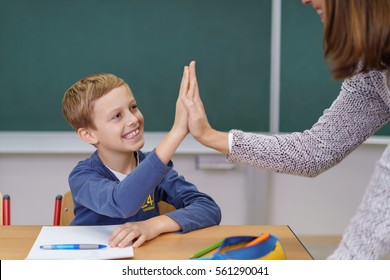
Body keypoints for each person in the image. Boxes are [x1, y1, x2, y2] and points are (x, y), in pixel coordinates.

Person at [181, 0, 390, 259]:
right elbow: (316, 151)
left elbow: (372, 228)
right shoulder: (372, 67)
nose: (303, 1)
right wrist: (209, 136)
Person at [61, 67, 221, 248]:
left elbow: (208, 208)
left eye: (133, 107)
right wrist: (177, 132)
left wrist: (154, 225)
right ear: (89, 135)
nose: (133, 119)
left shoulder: (150, 168)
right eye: (117, 116)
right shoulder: (82, 177)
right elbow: (122, 203)